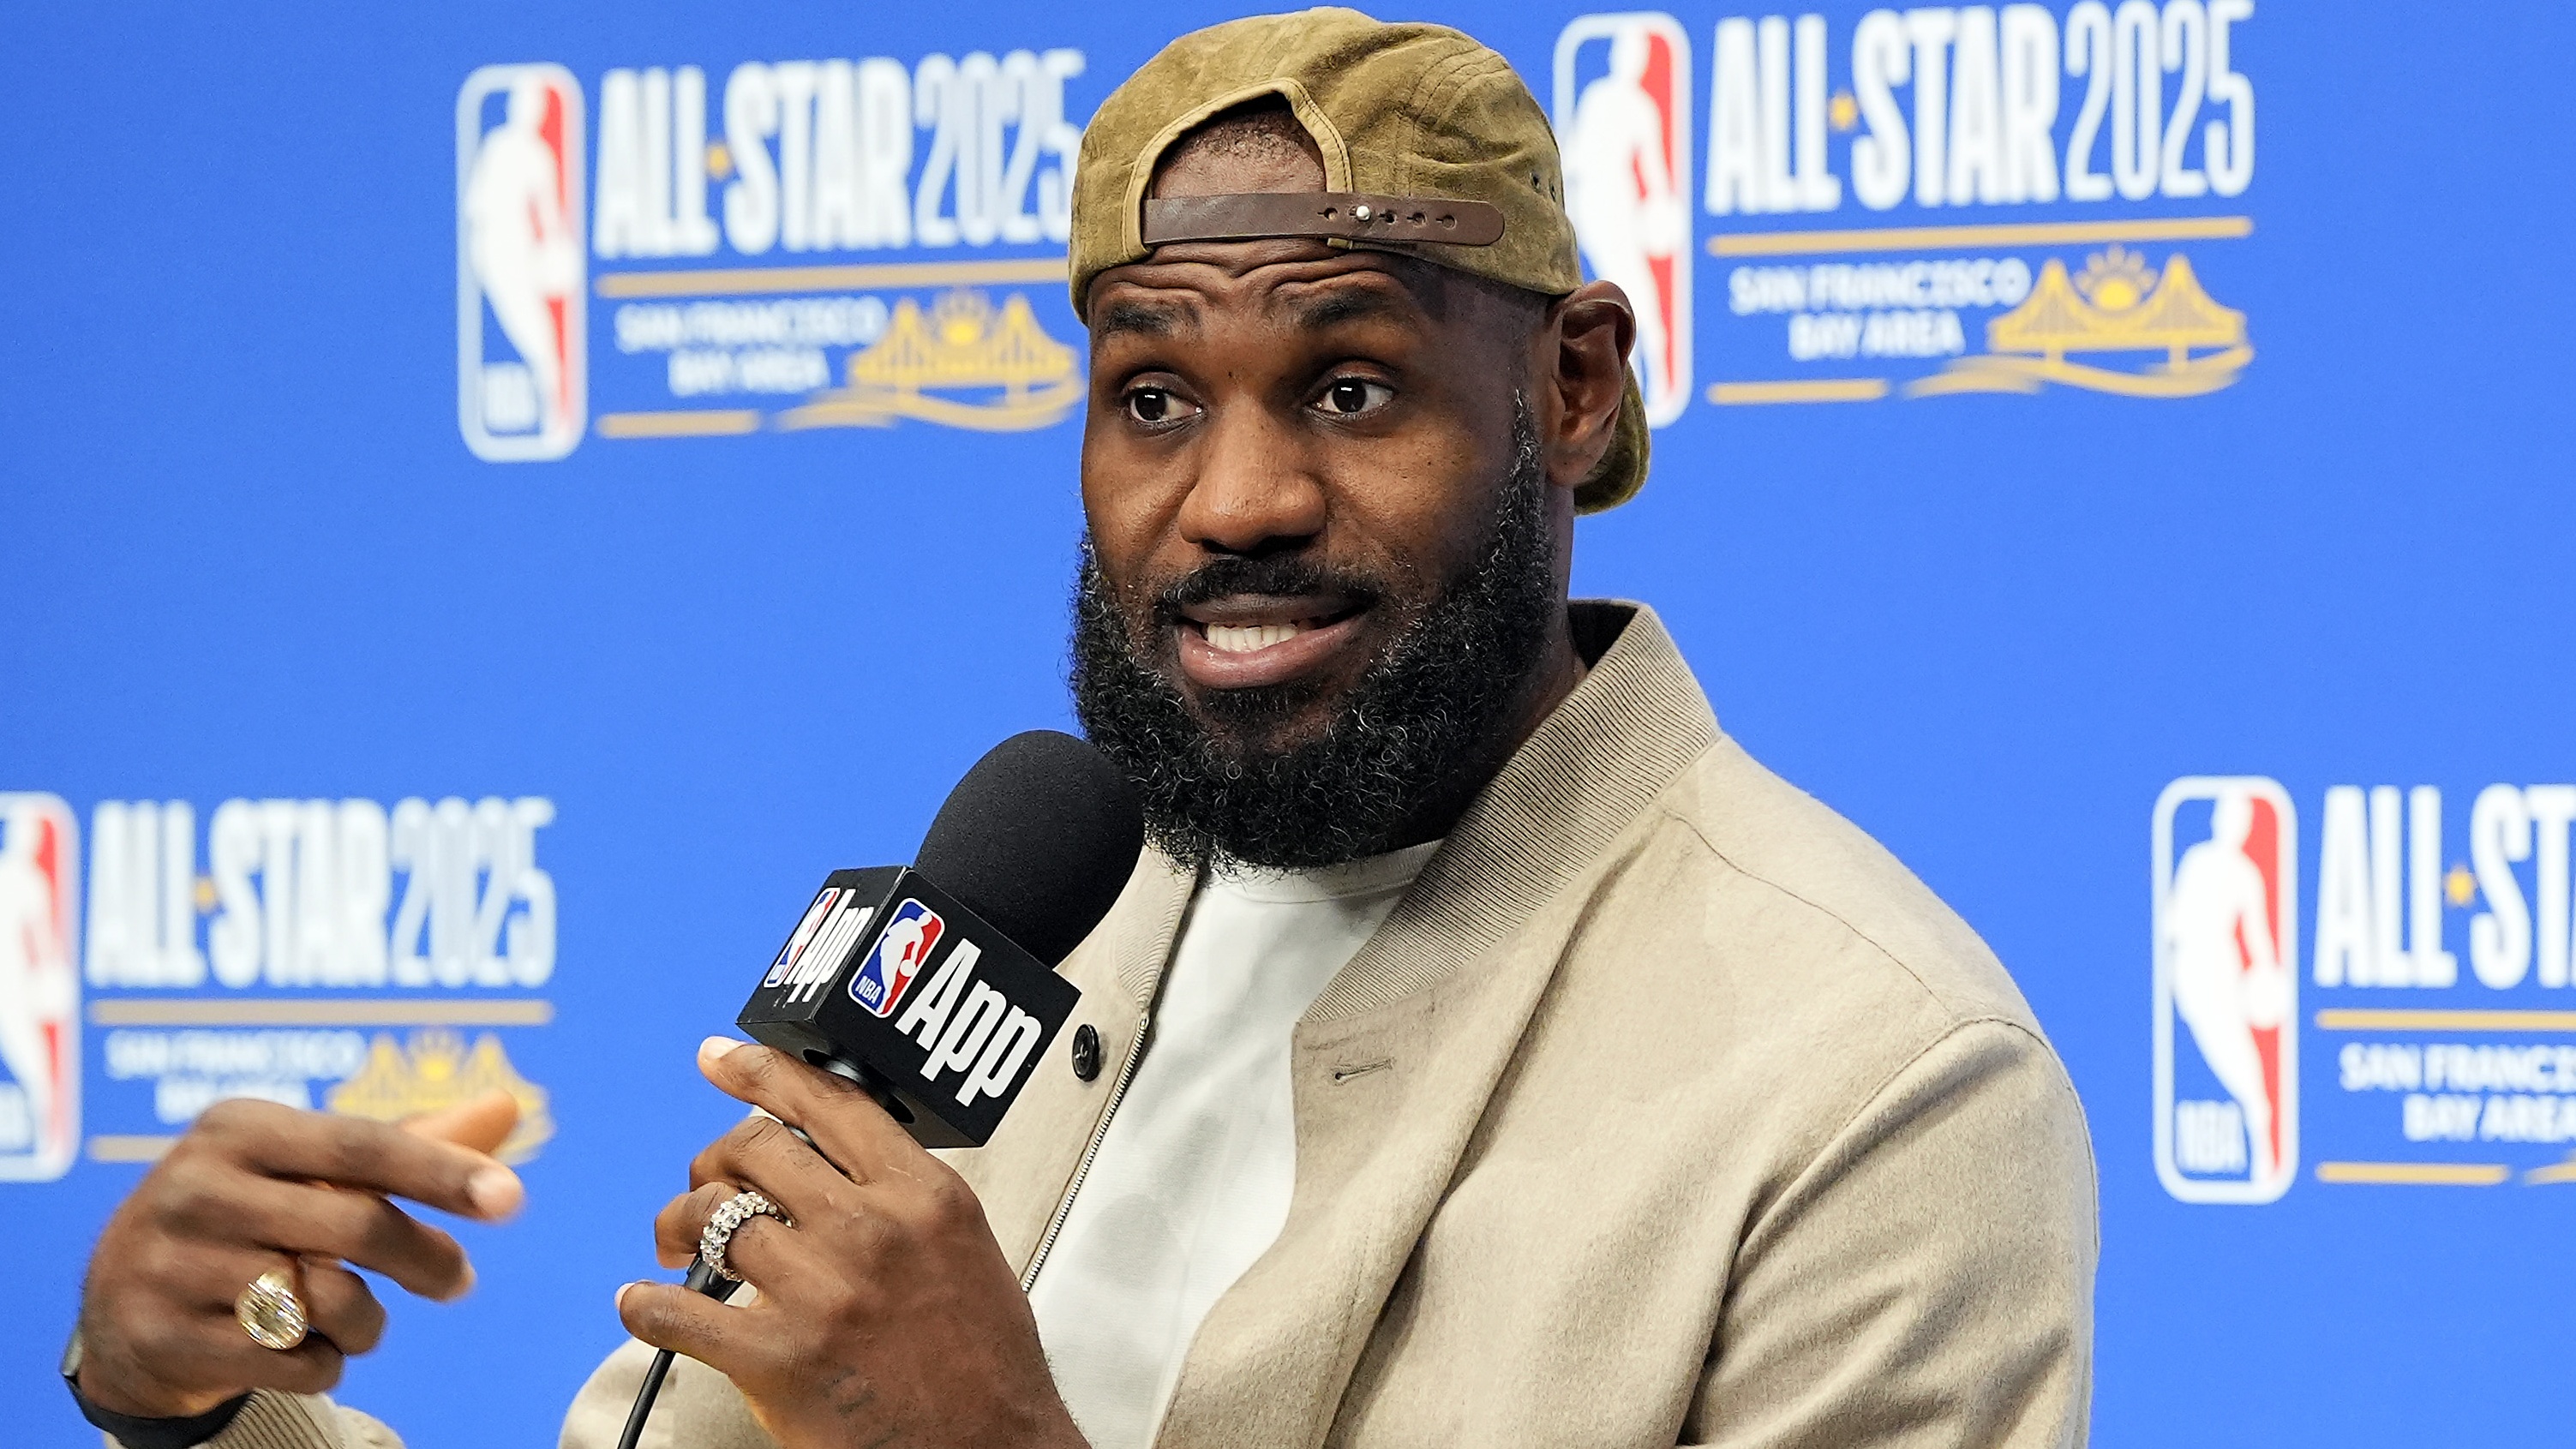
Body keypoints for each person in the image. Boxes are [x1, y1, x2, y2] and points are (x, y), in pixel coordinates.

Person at [63, 12, 2097, 1449]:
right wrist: (207, 1405)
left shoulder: (1877, 1081)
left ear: (1567, 391)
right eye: (1150, 398)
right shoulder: (1017, 913)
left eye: (1354, 386)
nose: (1231, 502)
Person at [2163, 789, 2287, 1182]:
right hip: (2192, 973)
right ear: (2217, 820)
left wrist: (2266, 977)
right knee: (2237, 1067)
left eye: (2241, 820)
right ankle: (2262, 1132)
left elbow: (2259, 939)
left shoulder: (2247, 876)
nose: (2233, 825)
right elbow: (2171, 923)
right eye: (2227, 816)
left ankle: (2265, 1154)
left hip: (2222, 972)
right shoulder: (2196, 861)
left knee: (2248, 1071)